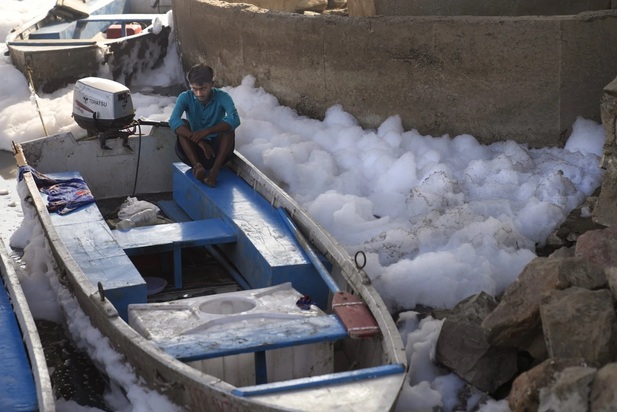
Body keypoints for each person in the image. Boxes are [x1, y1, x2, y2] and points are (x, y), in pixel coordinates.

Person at [168, 63, 241, 187]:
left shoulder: (223, 97)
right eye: (194, 89)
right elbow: (173, 120)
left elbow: (235, 119)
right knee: (182, 125)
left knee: (229, 129)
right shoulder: (185, 97)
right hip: (192, 152)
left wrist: (207, 131)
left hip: (217, 153)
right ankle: (197, 166)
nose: (199, 93)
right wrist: (199, 142)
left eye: (203, 89)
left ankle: (214, 171)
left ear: (212, 84)